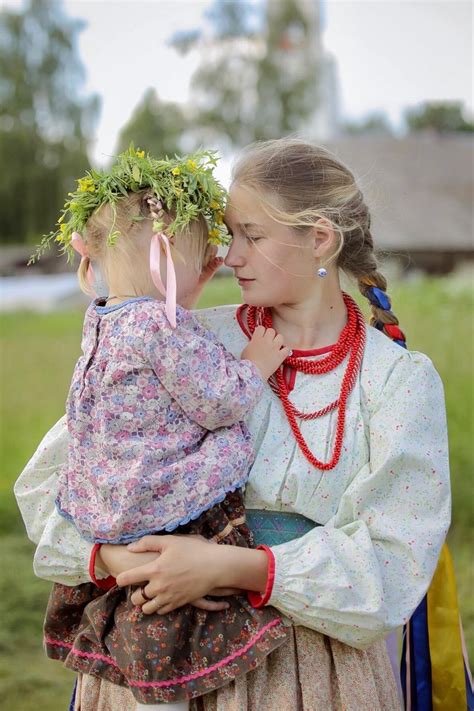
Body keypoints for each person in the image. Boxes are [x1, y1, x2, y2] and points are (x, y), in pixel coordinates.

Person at [16, 138, 452, 711]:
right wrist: (116, 559)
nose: (229, 257)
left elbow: (394, 560)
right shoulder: (179, 342)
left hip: (308, 676)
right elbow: (55, 488)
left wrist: (233, 566)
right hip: (155, 660)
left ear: (319, 238)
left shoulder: (396, 379)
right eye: (227, 235)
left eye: (252, 235)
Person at [19, 146, 293, 709]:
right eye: (202, 260)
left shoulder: (103, 317)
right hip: (160, 493)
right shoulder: (160, 324)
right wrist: (255, 365)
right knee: (177, 610)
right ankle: (180, 679)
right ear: (168, 259)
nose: (212, 269)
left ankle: (146, 683)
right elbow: (218, 401)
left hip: (106, 501)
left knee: (141, 613)